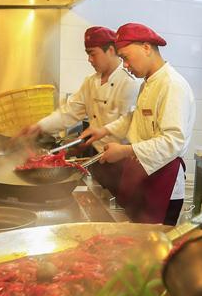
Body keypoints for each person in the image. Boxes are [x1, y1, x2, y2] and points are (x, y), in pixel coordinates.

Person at [81, 23, 195, 225]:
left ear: (146, 47)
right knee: (135, 245)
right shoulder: (149, 83)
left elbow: (173, 141)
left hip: (163, 184)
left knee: (153, 250)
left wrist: (125, 151)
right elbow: (135, 117)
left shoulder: (172, 85)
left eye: (125, 57)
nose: (124, 65)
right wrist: (103, 130)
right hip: (144, 178)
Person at [25, 26, 139, 194]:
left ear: (111, 50)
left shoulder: (130, 84)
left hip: (121, 164)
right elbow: (69, 111)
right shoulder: (91, 82)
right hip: (97, 160)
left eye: (93, 54)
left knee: (114, 210)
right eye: (88, 54)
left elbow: (128, 127)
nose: (89, 60)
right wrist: (39, 126)